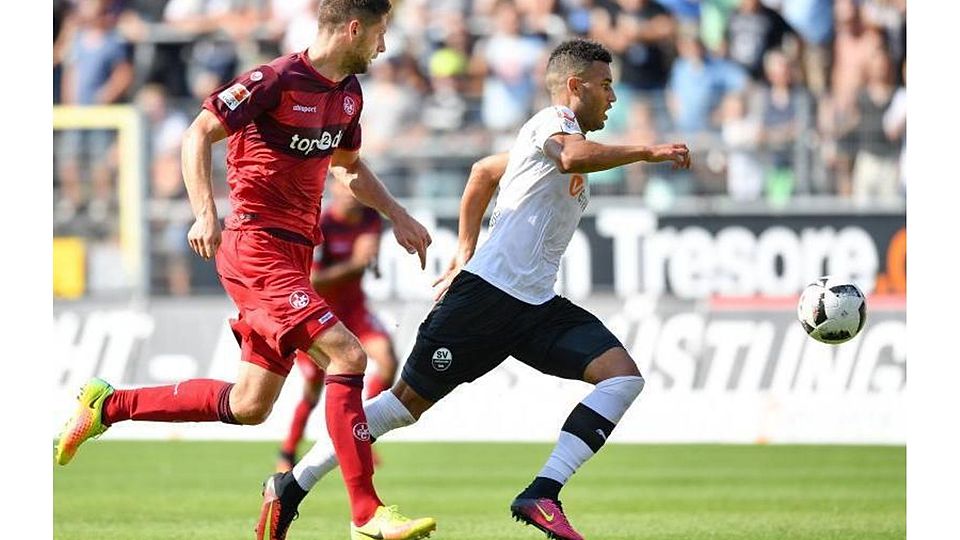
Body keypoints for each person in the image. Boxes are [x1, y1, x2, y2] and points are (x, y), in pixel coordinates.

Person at [256, 38, 690, 540]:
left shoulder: (542, 137)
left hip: (535, 306)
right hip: (484, 301)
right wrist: (648, 150)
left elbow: (483, 172)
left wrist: (464, 247)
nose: (613, 97)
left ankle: (543, 493)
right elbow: (570, 158)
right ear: (575, 86)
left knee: (621, 378)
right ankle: (291, 486)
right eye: (606, 85)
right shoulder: (555, 124)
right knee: (401, 407)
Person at [54, 1, 437, 539]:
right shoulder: (274, 80)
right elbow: (197, 134)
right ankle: (366, 512)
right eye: (379, 33)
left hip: (296, 255)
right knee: (350, 355)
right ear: (354, 27)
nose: (382, 46)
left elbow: (348, 169)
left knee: (250, 404)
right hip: (255, 246)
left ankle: (108, 405)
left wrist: (398, 215)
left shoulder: (348, 93)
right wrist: (205, 212)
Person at [276, 180, 398, 473]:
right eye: (345, 189)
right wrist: (356, 263)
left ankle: (361, 435)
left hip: (356, 309)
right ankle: (288, 450)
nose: (351, 195)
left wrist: (371, 260)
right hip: (322, 314)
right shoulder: (322, 225)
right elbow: (313, 281)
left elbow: (371, 263)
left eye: (356, 189)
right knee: (314, 388)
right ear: (333, 190)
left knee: (388, 362)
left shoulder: (370, 218)